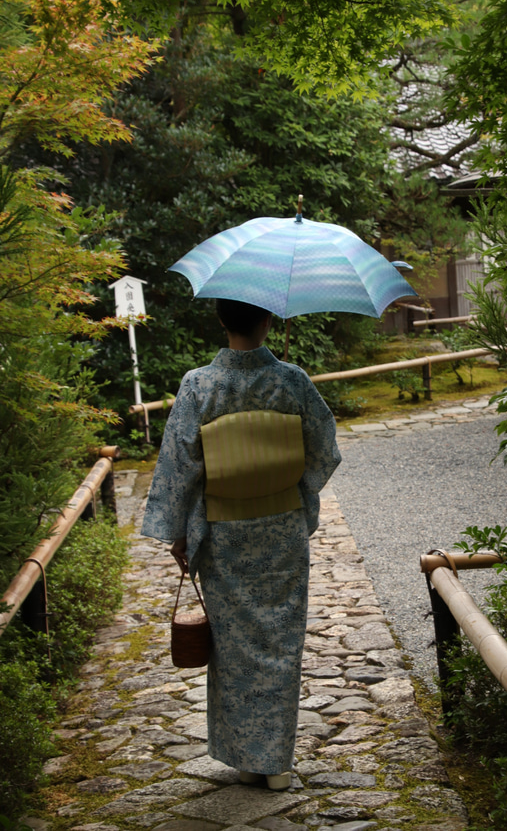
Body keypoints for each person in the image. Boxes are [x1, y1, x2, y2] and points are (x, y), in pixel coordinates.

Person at [141, 299, 341, 790]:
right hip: (281, 532)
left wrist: (181, 531)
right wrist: (291, 489)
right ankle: (276, 762)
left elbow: (180, 466)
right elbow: (324, 450)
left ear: (221, 320)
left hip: (225, 534)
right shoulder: (291, 379)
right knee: (280, 641)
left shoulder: (198, 385)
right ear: (268, 320)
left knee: (234, 647)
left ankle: (250, 756)